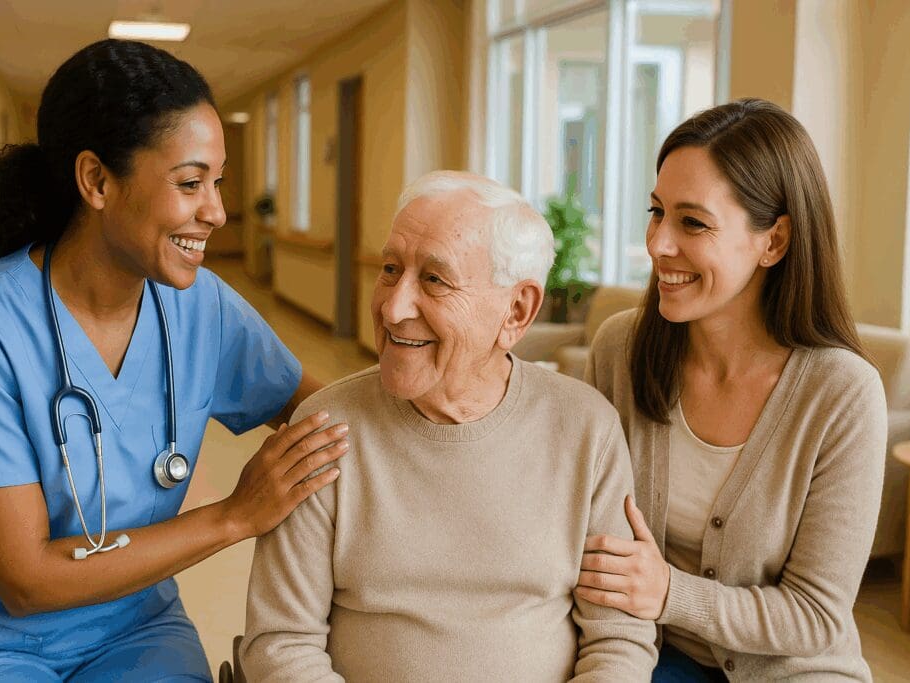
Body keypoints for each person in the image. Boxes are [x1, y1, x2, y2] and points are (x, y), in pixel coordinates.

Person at [0, 39, 347, 681]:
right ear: (96, 180)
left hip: (134, 627)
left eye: (218, 181)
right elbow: (25, 581)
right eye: (189, 182)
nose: (217, 211)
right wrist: (233, 516)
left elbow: (323, 412)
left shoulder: (201, 306)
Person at [239, 171, 657, 682]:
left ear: (517, 310)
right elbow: (281, 646)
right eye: (390, 269)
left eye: (435, 280)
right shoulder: (324, 430)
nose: (392, 308)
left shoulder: (586, 430)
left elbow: (618, 641)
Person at [576, 98, 887, 681]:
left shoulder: (843, 394)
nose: (658, 244)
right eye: (656, 211)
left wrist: (671, 591)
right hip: (647, 653)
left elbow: (816, 616)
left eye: (692, 222)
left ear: (774, 242)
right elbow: (563, 491)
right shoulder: (620, 350)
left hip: (793, 670)